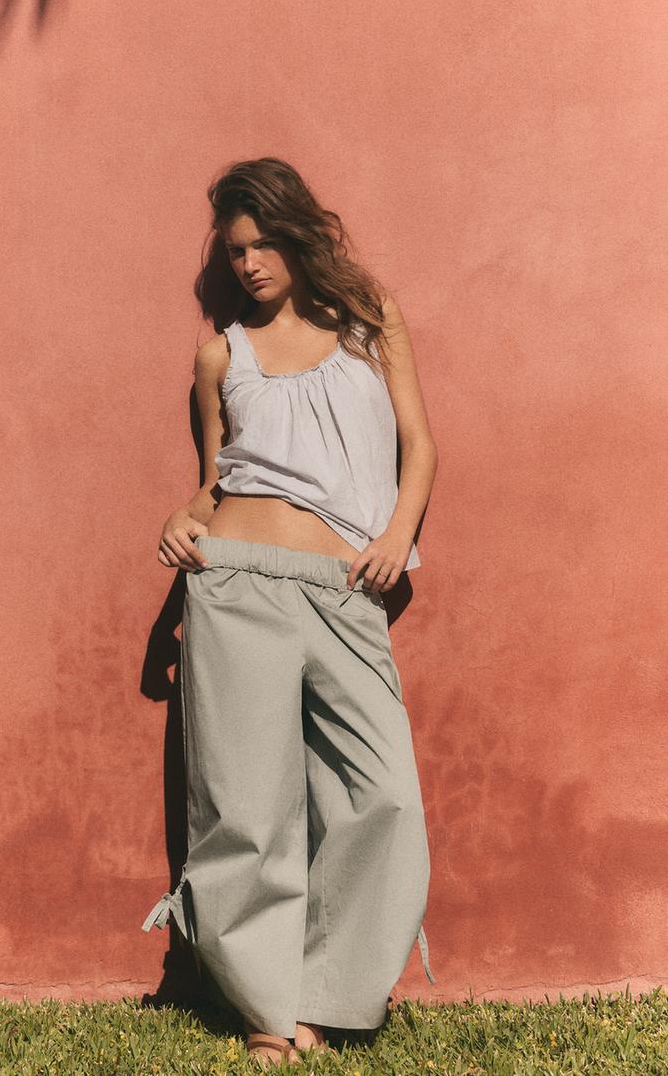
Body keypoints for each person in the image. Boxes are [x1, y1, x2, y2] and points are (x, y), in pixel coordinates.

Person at [143, 157, 439, 1069]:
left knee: (384, 795)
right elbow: (213, 483)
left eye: (265, 242)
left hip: (344, 586)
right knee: (246, 806)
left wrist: (397, 534)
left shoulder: (370, 321)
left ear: (300, 234)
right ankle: (271, 1010)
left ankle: (330, 990)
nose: (250, 263)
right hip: (234, 583)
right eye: (237, 250)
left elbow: (421, 444)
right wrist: (181, 519)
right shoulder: (220, 356)